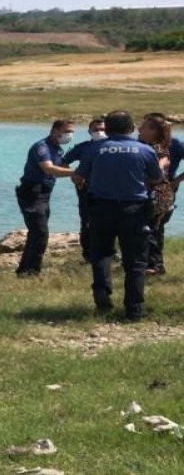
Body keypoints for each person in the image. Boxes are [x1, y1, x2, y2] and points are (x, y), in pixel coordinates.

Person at [79, 111, 165, 321]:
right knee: (135, 262)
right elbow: (157, 178)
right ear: (132, 128)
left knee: (101, 254)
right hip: (134, 210)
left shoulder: (96, 149)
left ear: (107, 129)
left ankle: (102, 300)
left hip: (101, 208)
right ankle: (134, 311)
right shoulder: (145, 150)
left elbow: (79, 176)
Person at [15, 119, 76, 276]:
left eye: (72, 132)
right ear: (55, 130)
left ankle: (25, 270)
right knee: (40, 232)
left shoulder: (57, 149)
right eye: (67, 131)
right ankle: (32, 271)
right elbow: (48, 169)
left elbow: (62, 168)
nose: (70, 135)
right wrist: (76, 173)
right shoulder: (42, 147)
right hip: (32, 193)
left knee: (36, 232)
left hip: (44, 193)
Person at [138, 113, 183, 274]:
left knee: (151, 226)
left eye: (144, 126)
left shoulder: (166, 146)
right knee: (153, 227)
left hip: (159, 190)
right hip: (150, 190)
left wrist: (176, 181)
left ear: (154, 130)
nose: (139, 128)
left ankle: (154, 264)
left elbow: (160, 167)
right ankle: (151, 262)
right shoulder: (143, 143)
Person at [62, 117, 107, 263]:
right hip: (86, 189)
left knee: (110, 221)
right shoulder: (82, 147)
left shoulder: (114, 146)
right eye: (96, 129)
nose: (99, 132)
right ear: (89, 131)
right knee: (87, 221)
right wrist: (74, 175)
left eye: (103, 129)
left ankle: (110, 251)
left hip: (110, 189)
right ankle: (88, 254)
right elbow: (62, 162)